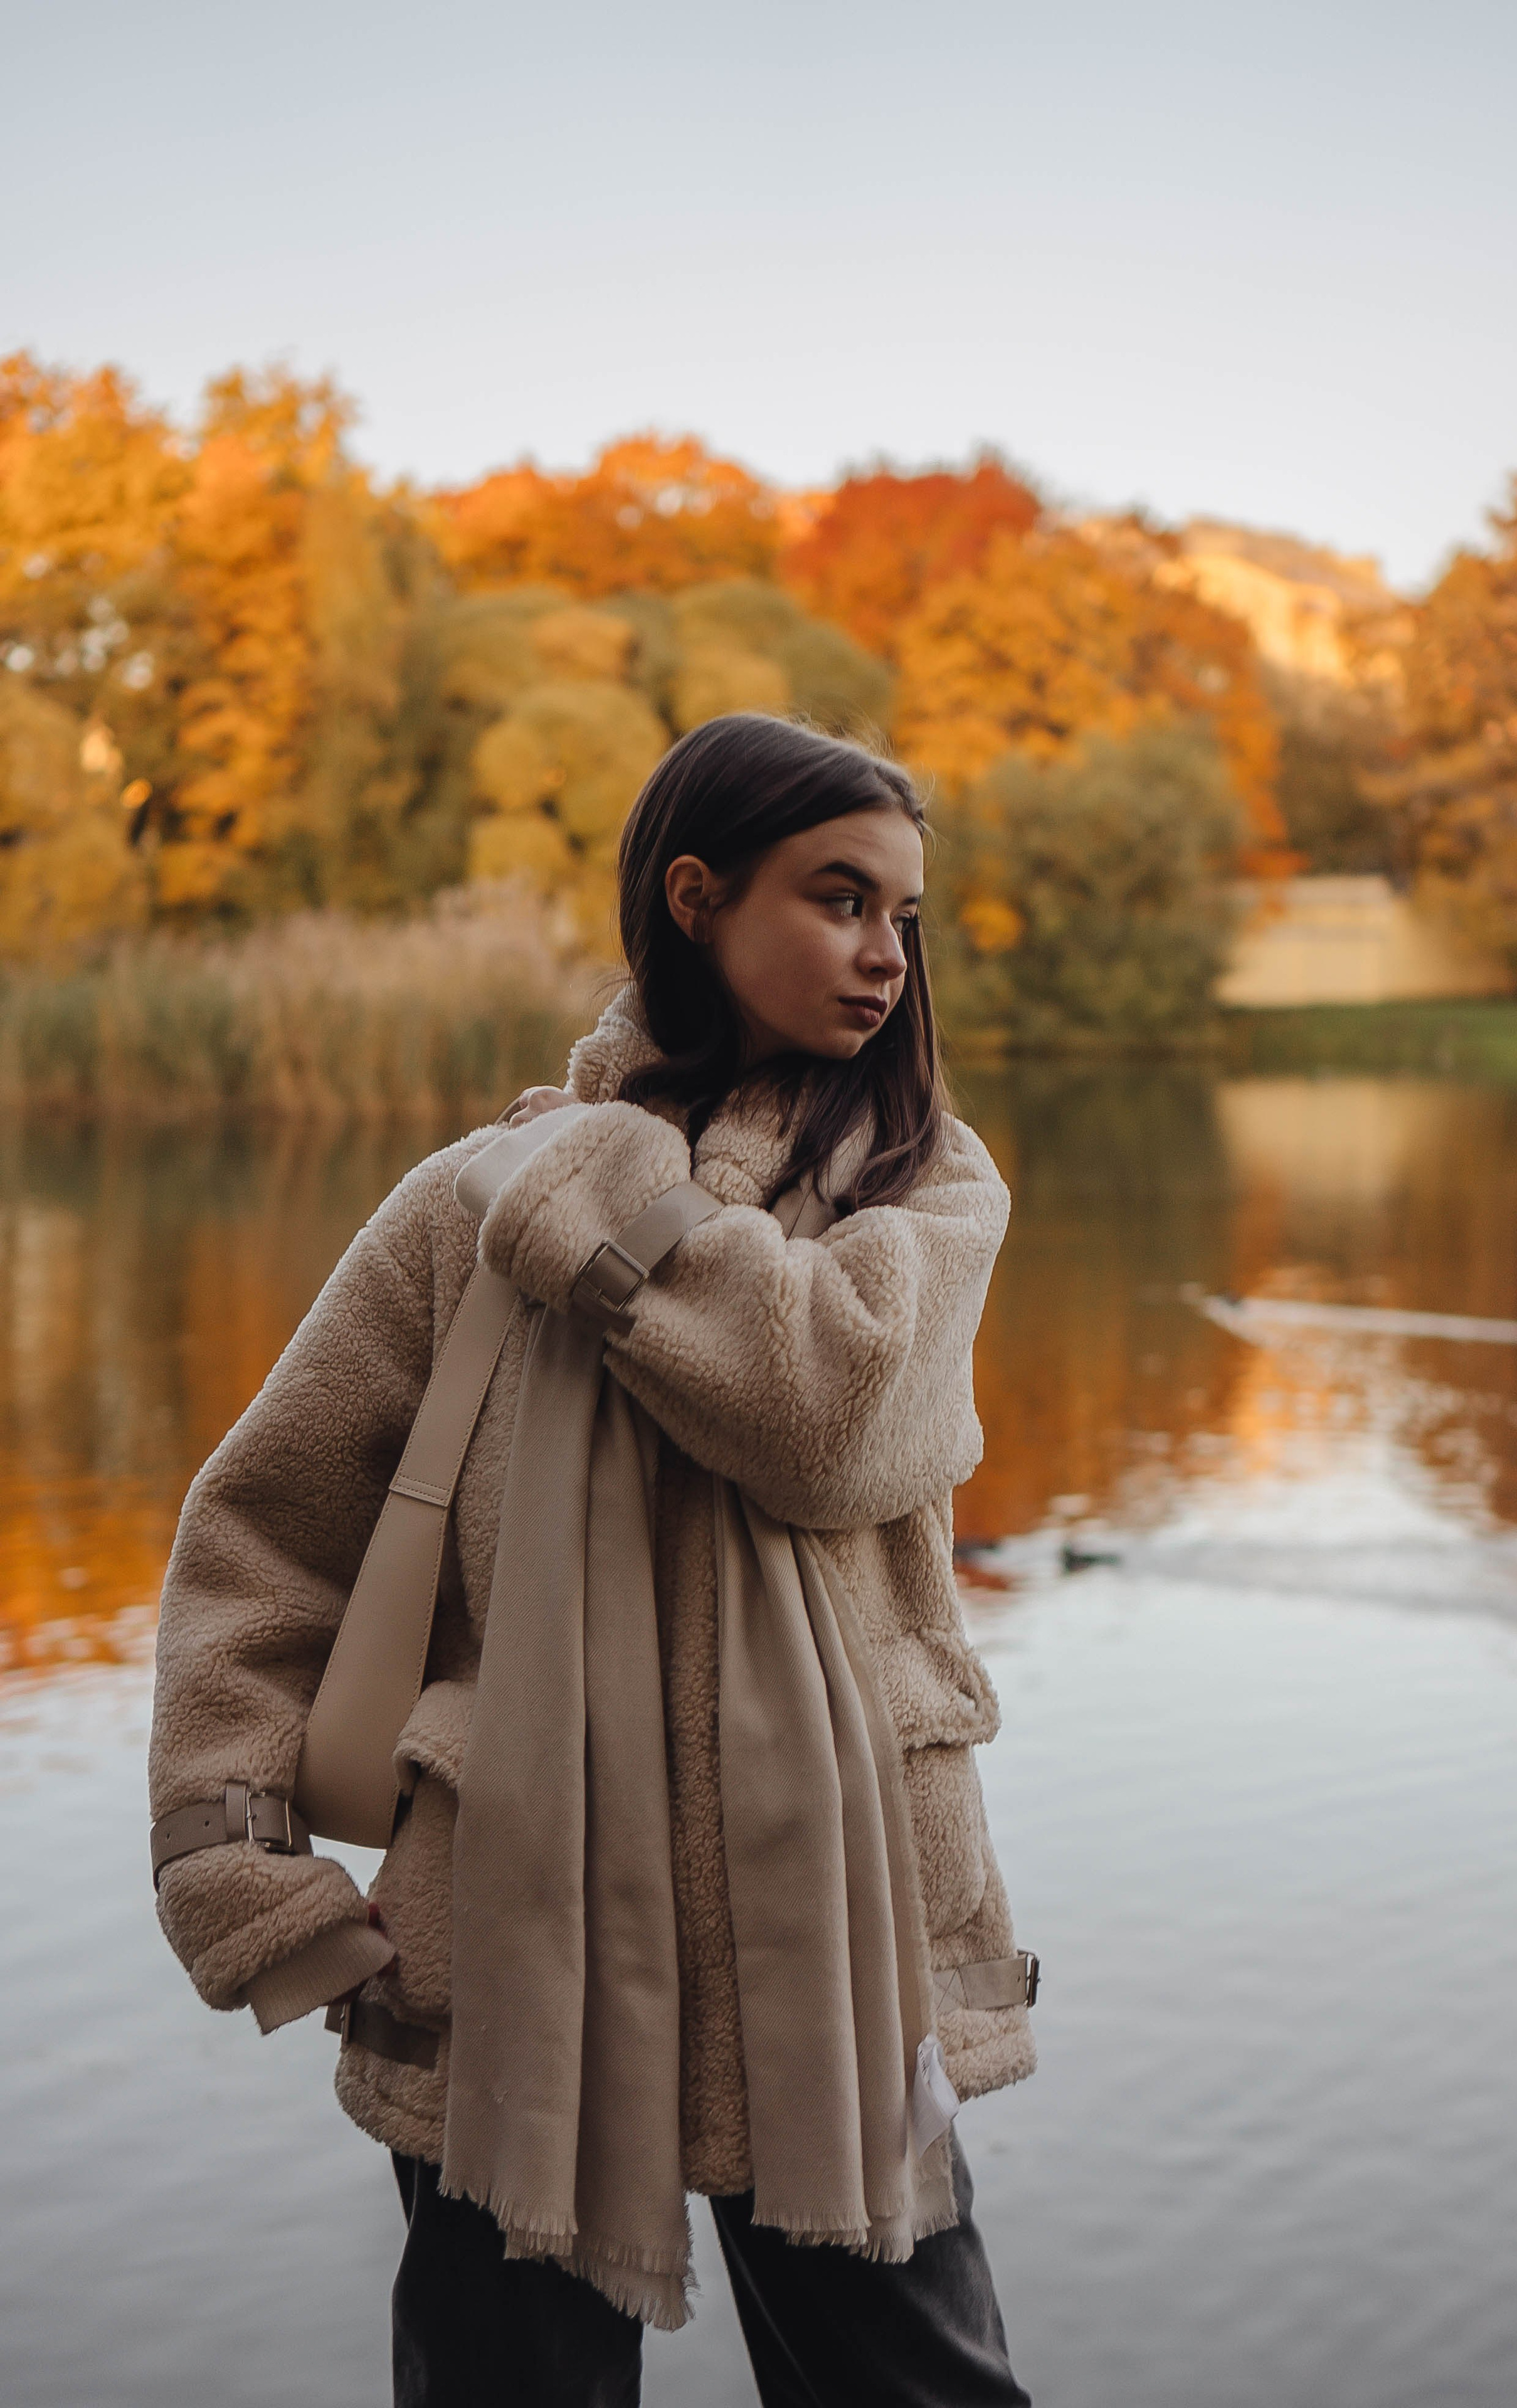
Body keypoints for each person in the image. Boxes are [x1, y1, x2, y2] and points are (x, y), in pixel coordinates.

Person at [149, 713, 1037, 2407]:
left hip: (841, 1945)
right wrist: (243, 1870)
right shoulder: (465, 1214)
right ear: (695, 898)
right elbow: (265, 1531)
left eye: (905, 916)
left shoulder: (924, 1192)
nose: (885, 955)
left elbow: (831, 1418)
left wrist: (607, 1225)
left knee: (916, 2385)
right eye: (841, 898)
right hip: (511, 1949)